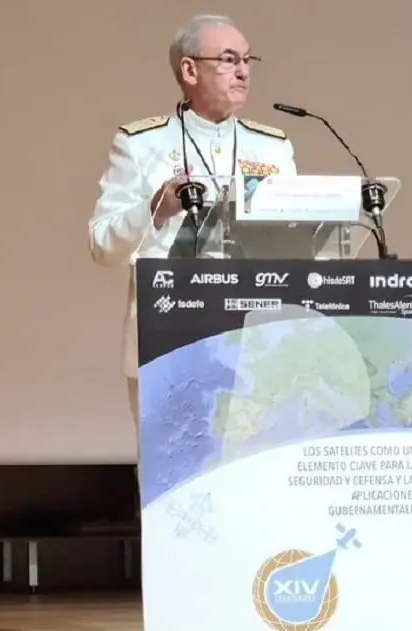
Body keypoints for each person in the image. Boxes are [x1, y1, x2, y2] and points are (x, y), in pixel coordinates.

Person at [86, 14, 299, 422]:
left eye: (248, 60)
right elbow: (101, 244)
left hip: (257, 342)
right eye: (229, 59)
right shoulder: (141, 144)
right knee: (175, 480)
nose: (242, 72)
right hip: (169, 339)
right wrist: (155, 208)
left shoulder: (272, 148)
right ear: (189, 69)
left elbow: (296, 241)